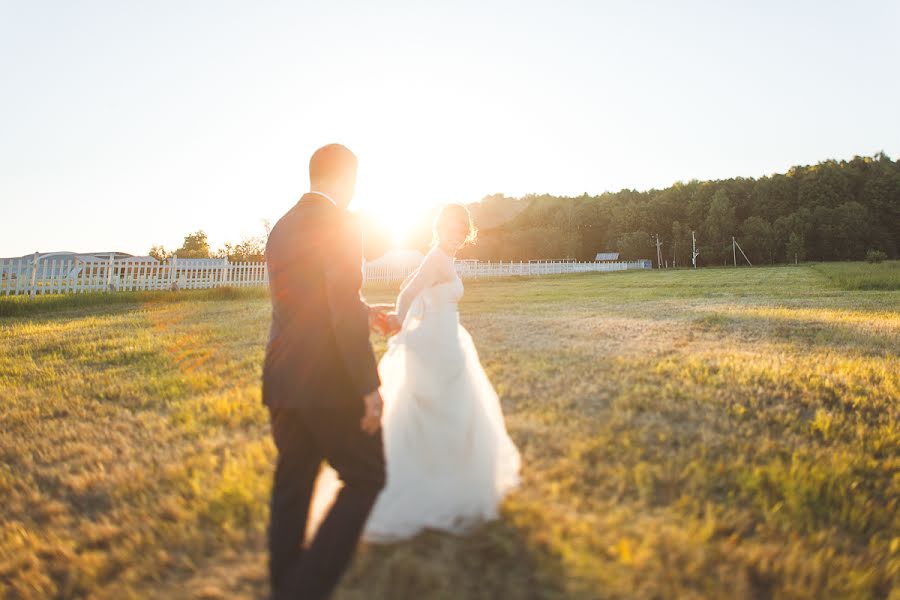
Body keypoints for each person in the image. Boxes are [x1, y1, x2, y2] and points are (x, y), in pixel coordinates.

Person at [307, 204, 520, 544]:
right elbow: (408, 291)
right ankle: (424, 482)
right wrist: (398, 320)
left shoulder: (445, 259)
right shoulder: (436, 257)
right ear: (440, 229)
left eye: (462, 232)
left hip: (448, 340)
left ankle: (450, 477)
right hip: (435, 343)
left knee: (456, 411)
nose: (457, 236)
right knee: (439, 410)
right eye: (452, 230)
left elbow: (419, 287)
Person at [262, 143, 389, 599]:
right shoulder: (341, 223)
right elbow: (335, 307)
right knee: (368, 476)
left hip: (282, 380)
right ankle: (304, 589)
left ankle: (284, 589)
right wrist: (369, 386)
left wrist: (366, 312)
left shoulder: (282, 226)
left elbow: (313, 299)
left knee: (292, 489)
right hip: (329, 383)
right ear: (347, 177)